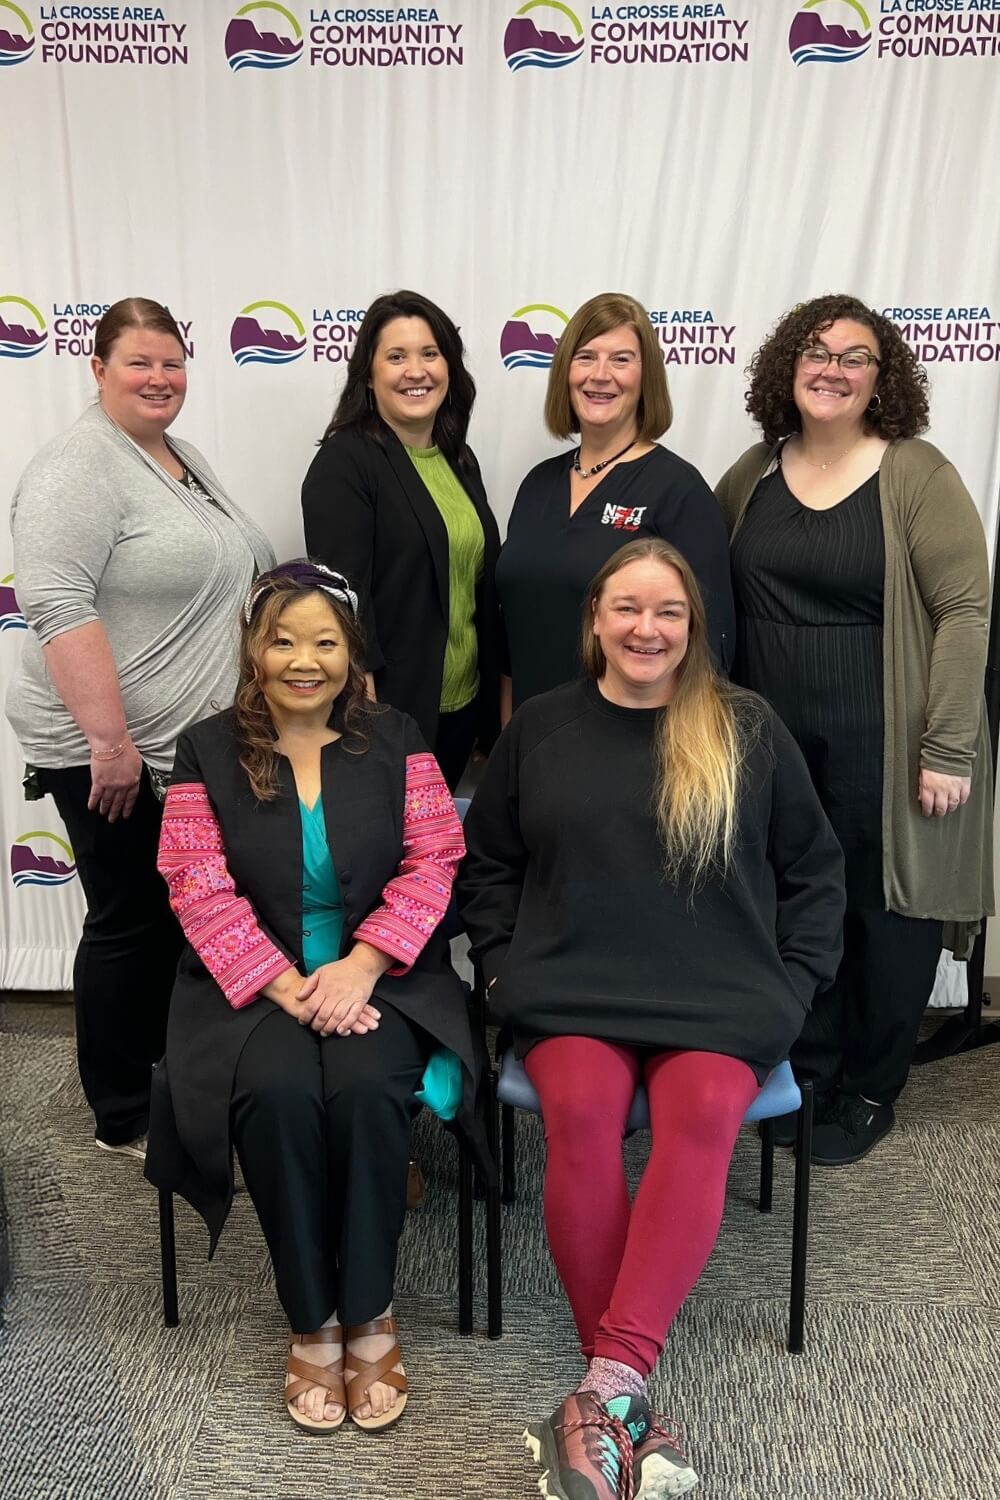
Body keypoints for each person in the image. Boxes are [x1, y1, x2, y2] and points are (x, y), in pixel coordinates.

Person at [458, 539, 844, 1499]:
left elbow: (815, 873)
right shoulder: (541, 728)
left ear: (692, 626)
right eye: (627, 608)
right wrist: (503, 975)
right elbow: (490, 865)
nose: (646, 628)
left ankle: (603, 1392)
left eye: (667, 611)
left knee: (704, 1117)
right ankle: (628, 1399)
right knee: (581, 1115)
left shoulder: (746, 728)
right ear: (595, 618)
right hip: (571, 989)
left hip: (719, 997)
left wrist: (792, 990)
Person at [147, 560, 488, 1434]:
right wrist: (289, 984)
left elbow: (437, 858)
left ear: (352, 654)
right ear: (255, 653)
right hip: (255, 982)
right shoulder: (206, 748)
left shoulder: (398, 737)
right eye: (284, 640)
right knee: (279, 1093)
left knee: (371, 1089)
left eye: (326, 641)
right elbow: (196, 882)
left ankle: (370, 1310)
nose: (306, 659)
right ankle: (314, 1320)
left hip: (384, 975)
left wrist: (364, 964)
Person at [717, 293, 994, 1167]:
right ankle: (810, 1068)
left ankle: (871, 1089)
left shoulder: (915, 471)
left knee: (884, 913)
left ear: (883, 378)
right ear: (785, 367)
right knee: (799, 907)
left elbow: (965, 609)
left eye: (855, 355)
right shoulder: (752, 472)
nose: (831, 367)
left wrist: (947, 747)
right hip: (773, 745)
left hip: (888, 736)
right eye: (815, 349)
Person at [5, 297, 274, 1159]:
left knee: (174, 917)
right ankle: (122, 1112)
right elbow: (54, 602)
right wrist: (110, 745)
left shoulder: (173, 455)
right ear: (96, 368)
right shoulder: (76, 468)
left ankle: (169, 1073)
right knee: (130, 920)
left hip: (186, 747)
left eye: (172, 363)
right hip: (111, 750)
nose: (160, 379)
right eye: (139, 363)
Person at [496, 292, 734, 718]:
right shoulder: (537, 484)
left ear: (646, 378)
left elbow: (709, 649)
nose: (600, 375)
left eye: (621, 360)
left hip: (631, 743)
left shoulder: (679, 490)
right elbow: (510, 639)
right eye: (585, 357)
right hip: (534, 739)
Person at [301, 289, 501, 791]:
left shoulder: (459, 459)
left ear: (449, 368)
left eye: (430, 354)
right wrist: (366, 716)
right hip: (388, 714)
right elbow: (343, 601)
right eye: (397, 356)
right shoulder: (345, 463)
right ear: (369, 375)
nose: (417, 371)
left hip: (462, 707)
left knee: (438, 859)